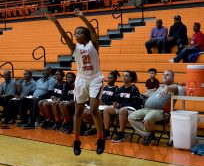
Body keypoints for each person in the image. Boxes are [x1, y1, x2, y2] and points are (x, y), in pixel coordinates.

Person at [46, 8, 105, 155]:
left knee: (93, 109)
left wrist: (82, 17)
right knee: (78, 111)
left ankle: (100, 138)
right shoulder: (74, 47)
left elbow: (92, 30)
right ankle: (76, 141)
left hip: (95, 78)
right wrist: (56, 22)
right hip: (81, 79)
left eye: (79, 33)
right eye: (75, 33)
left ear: (86, 35)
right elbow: (64, 37)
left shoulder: (94, 44)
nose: (76, 35)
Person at [128, 70, 185, 145]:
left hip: (161, 112)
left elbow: (179, 88)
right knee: (131, 117)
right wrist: (142, 95)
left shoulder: (174, 87)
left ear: (172, 77)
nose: (164, 76)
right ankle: (148, 134)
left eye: (167, 75)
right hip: (147, 109)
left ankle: (148, 135)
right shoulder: (162, 86)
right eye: (163, 74)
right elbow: (153, 95)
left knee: (147, 119)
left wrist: (167, 88)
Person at [103, 70, 142, 143]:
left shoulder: (134, 89)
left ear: (130, 78)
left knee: (122, 110)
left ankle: (121, 135)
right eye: (123, 75)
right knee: (107, 109)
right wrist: (115, 103)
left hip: (131, 109)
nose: (124, 77)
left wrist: (121, 105)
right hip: (122, 108)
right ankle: (107, 133)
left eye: (126, 76)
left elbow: (135, 102)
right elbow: (117, 99)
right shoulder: (121, 88)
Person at [84, 70, 119, 136]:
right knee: (85, 112)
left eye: (111, 78)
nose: (108, 79)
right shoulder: (104, 88)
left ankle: (100, 129)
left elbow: (116, 101)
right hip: (100, 106)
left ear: (115, 79)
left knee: (93, 112)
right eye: (108, 77)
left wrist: (105, 102)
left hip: (108, 106)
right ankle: (99, 127)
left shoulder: (117, 89)